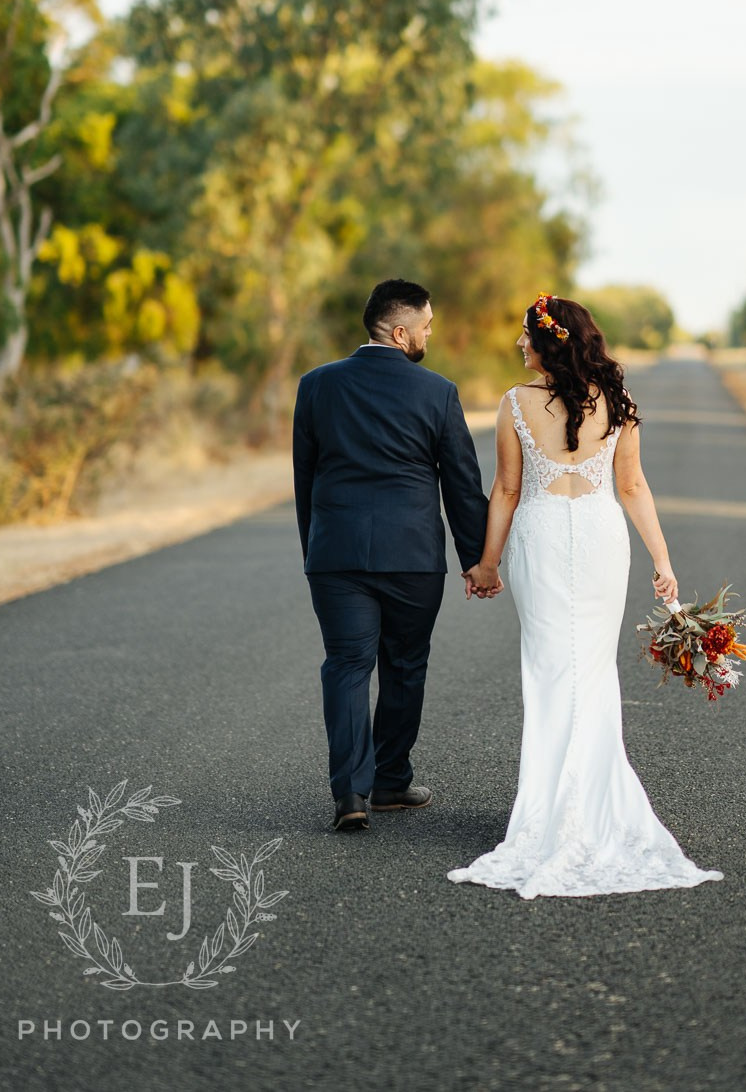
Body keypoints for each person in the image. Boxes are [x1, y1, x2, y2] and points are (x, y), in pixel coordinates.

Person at [448, 294, 723, 897]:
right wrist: (661, 559)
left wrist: (486, 563)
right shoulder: (617, 403)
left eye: (526, 337)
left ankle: (550, 808)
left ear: (549, 342)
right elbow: (632, 485)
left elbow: (505, 490)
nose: (520, 346)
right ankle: (591, 802)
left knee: (550, 669)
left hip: (542, 540)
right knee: (591, 670)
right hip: (601, 540)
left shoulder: (516, 404)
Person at [293, 279, 495, 832]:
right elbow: (460, 483)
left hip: (336, 555)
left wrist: (317, 548)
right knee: (404, 666)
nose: (431, 333)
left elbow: (305, 480)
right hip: (412, 557)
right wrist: (477, 558)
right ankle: (390, 780)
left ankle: (351, 796)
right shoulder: (437, 392)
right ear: (400, 330)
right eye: (426, 325)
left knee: (346, 666)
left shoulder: (316, 386)